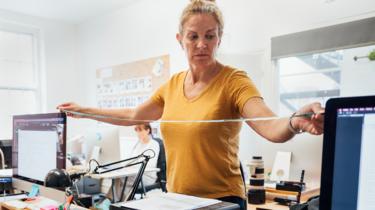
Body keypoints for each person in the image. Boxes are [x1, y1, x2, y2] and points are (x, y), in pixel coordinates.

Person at [57, 0, 324, 209]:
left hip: (222, 201)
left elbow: (268, 124)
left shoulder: (234, 80)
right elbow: (133, 115)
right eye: (193, 36)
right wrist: (85, 110)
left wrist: (294, 122)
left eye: (210, 36)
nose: (201, 45)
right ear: (180, 39)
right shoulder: (172, 85)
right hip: (177, 200)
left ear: (219, 38)